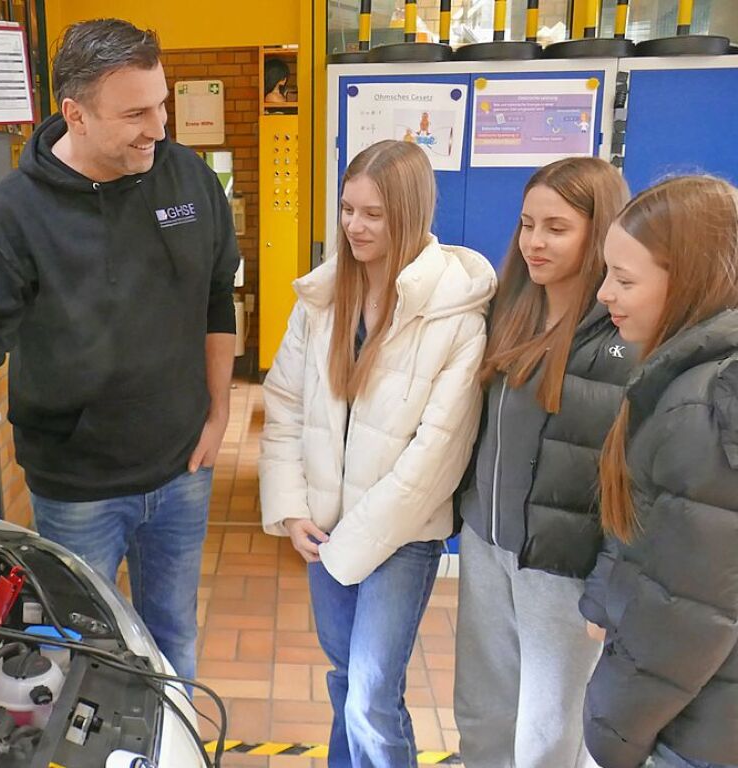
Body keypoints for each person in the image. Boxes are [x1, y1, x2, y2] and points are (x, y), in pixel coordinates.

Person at [0, 18, 240, 684]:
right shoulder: (12, 218)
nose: (159, 126)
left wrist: (218, 414)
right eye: (136, 112)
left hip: (182, 470)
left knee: (174, 634)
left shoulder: (187, 180)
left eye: (162, 103)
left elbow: (217, 298)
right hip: (78, 491)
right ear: (76, 113)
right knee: (81, 655)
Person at [260, 140, 496, 768]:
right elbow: (284, 404)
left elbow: (437, 456)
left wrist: (348, 546)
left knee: (369, 694)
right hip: (323, 526)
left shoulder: (456, 314)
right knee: (343, 678)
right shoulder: (324, 300)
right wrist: (292, 510)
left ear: (410, 213)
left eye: (374, 214)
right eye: (347, 209)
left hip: (401, 536)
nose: (354, 227)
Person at [453, 157, 633, 768]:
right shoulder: (510, 308)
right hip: (486, 544)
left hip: (562, 567)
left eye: (556, 228)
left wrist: (609, 580)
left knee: (547, 735)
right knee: (482, 714)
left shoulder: (621, 338)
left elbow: (637, 481)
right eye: (527, 224)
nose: (534, 241)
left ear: (599, 231)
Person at [582, 175, 738, 768]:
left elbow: (691, 615)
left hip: (696, 733)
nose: (604, 295)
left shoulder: (703, 406)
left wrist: (613, 732)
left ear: (692, 281)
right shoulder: (691, 379)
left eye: (624, 280)